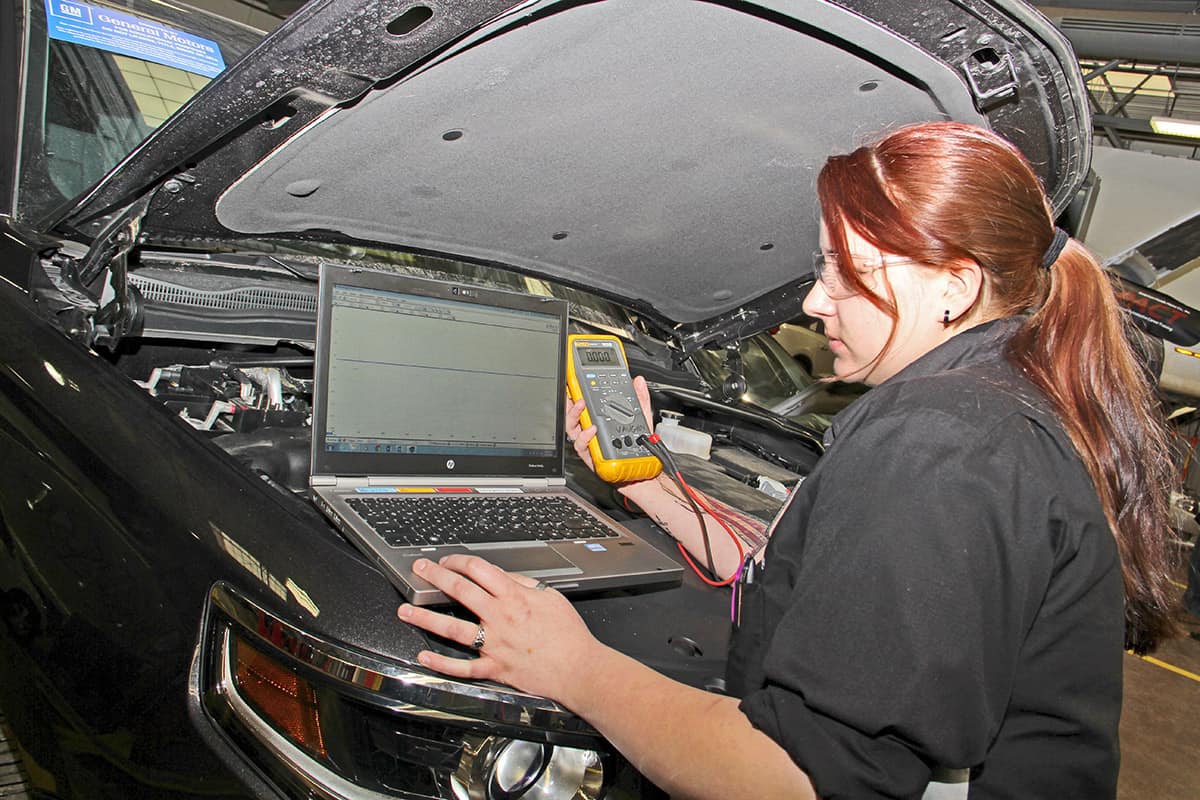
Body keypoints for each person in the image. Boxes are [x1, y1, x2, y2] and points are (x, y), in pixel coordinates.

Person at [395, 121, 1180, 799]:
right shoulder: (989, 401)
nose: (812, 300)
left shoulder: (944, 444)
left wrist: (572, 666)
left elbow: (796, 778)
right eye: (819, 266)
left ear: (955, 284)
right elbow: (806, 577)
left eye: (848, 271)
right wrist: (652, 483)